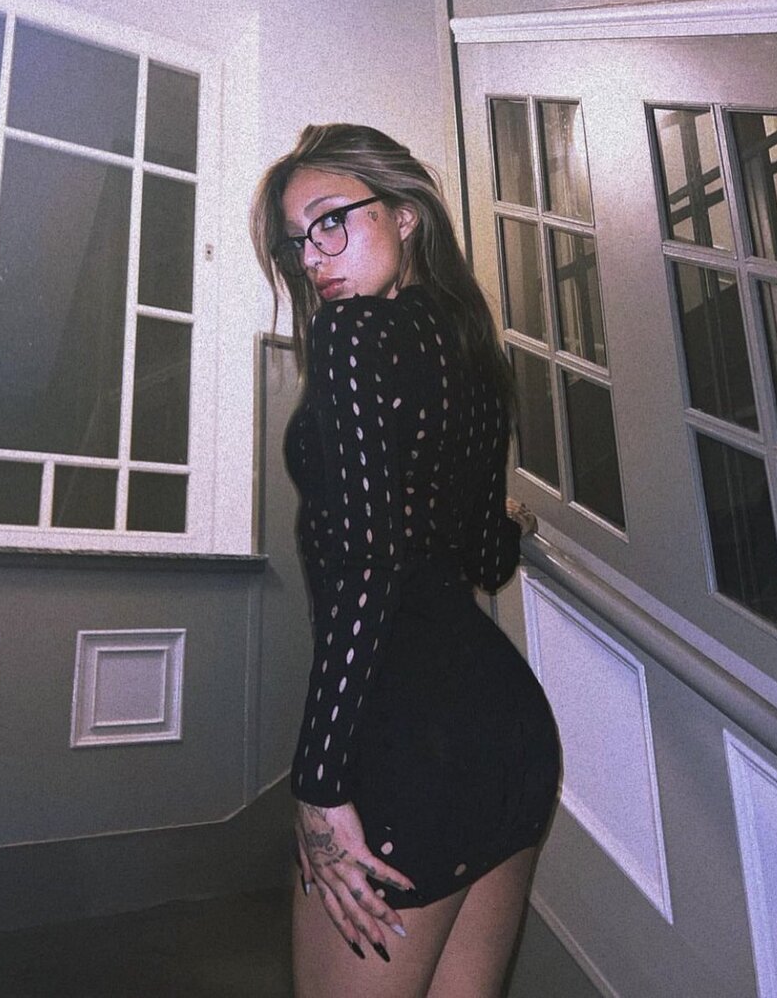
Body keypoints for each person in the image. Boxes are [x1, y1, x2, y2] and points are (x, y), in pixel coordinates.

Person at [250, 123, 560, 997]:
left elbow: (368, 566)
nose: (313, 257)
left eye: (331, 220)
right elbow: (486, 557)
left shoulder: (354, 334)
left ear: (405, 213)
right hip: (509, 735)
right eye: (296, 240)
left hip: (407, 742)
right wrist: (506, 517)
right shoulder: (476, 351)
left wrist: (317, 784)